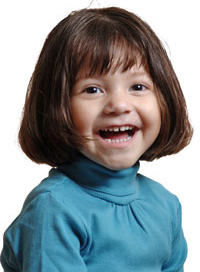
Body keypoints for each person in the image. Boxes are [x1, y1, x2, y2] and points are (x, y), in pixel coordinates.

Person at [0, 6, 193, 272]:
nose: (119, 105)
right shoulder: (54, 210)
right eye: (92, 89)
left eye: (137, 87)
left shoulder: (165, 205)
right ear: (59, 106)